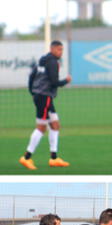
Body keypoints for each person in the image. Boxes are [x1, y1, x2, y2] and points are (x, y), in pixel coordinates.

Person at [20, 41, 72, 170]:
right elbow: (54, 82)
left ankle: (54, 158)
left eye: (62, 50)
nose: (61, 52)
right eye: (59, 50)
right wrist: (66, 81)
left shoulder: (42, 60)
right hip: (44, 97)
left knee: (55, 125)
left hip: (41, 96)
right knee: (41, 127)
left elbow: (31, 77)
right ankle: (26, 158)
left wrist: (32, 91)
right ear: (52, 49)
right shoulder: (53, 62)